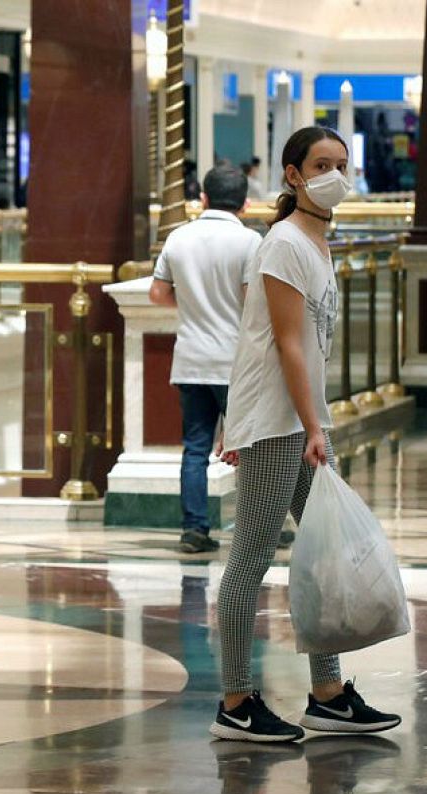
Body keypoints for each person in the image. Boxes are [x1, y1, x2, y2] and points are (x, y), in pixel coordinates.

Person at [212, 126, 403, 744]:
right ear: (292, 175)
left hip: (298, 419)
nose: (335, 176)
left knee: (323, 553)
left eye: (342, 164)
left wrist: (314, 421)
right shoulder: (285, 244)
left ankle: (327, 694)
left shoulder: (316, 243)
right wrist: (311, 426)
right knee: (249, 562)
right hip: (279, 424)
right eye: (322, 165)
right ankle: (235, 701)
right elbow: (287, 345)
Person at [149, 165, 261, 553]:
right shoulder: (249, 242)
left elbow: (157, 293)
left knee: (195, 448)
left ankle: (194, 529)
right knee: (252, 449)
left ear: (203, 199)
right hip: (236, 363)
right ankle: (254, 529)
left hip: (192, 358)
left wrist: (192, 306)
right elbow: (252, 300)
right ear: (245, 204)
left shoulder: (178, 237)